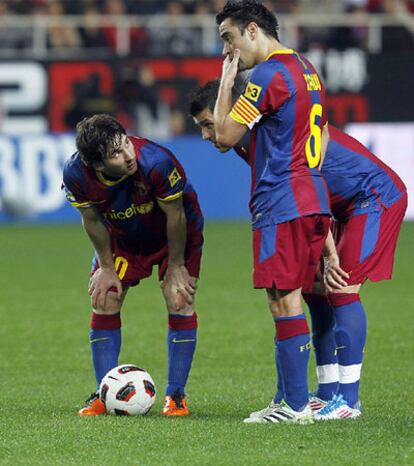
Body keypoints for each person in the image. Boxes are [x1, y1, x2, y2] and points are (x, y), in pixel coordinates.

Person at [190, 79, 408, 421]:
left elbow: (306, 181)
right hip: (333, 205)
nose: (207, 135)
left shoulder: (272, 131)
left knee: (341, 287)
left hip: (373, 197)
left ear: (231, 112)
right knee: (315, 291)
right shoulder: (246, 141)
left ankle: (349, 402)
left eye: (208, 124)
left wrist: (327, 247)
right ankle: (325, 393)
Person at [213, 1, 331, 424]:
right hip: (312, 196)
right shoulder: (306, 69)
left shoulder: (267, 75)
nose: (227, 50)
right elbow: (325, 134)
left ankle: (296, 407)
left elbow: (224, 136)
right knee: (292, 297)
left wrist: (228, 80)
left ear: (251, 30)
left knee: (283, 300)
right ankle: (290, 399)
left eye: (229, 38)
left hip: (281, 200)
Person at [62, 114, 204, 417]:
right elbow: (91, 220)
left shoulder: (157, 162)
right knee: (105, 297)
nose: (128, 155)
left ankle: (176, 395)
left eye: (126, 142)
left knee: (179, 298)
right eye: (116, 153)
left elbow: (176, 215)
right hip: (122, 236)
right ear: (96, 165)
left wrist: (177, 264)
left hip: (174, 234)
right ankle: (105, 391)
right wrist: (107, 268)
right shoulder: (76, 174)